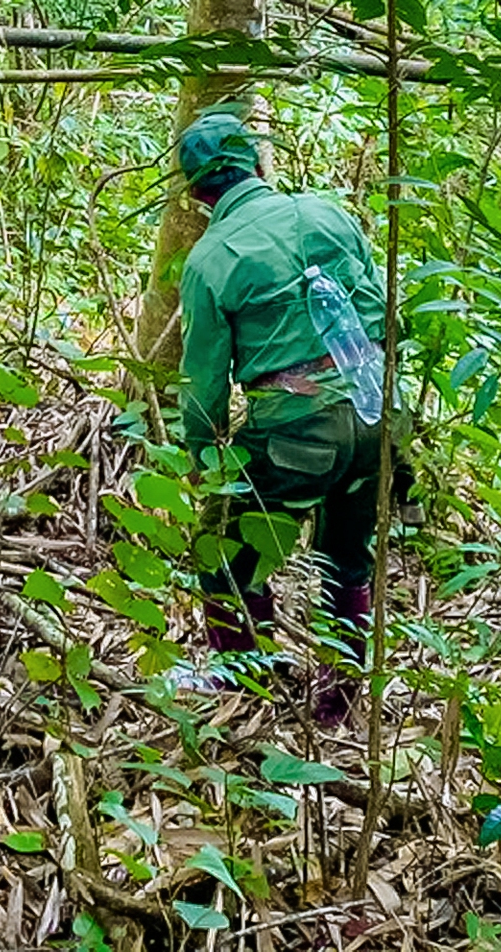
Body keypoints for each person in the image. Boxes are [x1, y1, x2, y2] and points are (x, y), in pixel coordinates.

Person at [173, 110, 387, 726]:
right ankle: (339, 706)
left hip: (296, 429)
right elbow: (380, 309)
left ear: (196, 194)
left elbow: (204, 386)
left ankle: (250, 689)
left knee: (221, 551)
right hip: (379, 412)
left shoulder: (210, 260)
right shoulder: (329, 213)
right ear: (260, 164)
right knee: (348, 556)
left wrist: (204, 466)